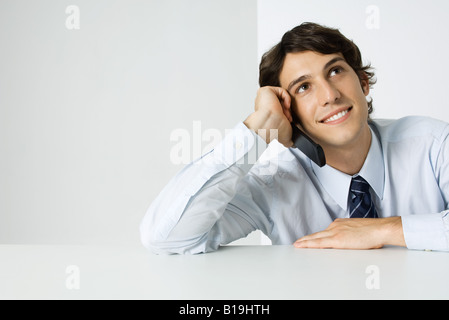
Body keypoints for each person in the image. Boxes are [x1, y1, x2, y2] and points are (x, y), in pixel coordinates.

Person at [140, 22, 449, 254]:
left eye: (336, 71)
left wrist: (384, 230)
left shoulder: (432, 144)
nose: (330, 95)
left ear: (363, 82)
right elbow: (165, 237)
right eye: (304, 87)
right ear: (288, 112)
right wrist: (257, 131)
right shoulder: (274, 183)